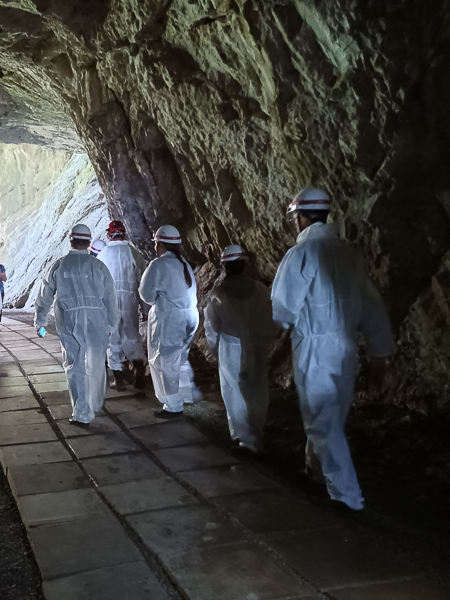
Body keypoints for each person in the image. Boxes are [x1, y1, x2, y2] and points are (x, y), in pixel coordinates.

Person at [271, 188, 393, 511]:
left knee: (322, 422)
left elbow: (282, 311)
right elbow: (371, 305)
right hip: (347, 348)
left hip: (315, 350)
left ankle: (346, 496)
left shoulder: (300, 255)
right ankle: (314, 470)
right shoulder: (350, 254)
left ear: (301, 218)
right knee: (330, 415)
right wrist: (378, 352)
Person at [35, 224, 119, 427]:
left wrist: (41, 324)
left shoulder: (60, 265)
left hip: (69, 322)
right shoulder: (99, 267)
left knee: (74, 365)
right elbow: (110, 298)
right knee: (97, 364)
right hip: (97, 321)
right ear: (89, 243)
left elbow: (44, 296)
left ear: (70, 240)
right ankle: (95, 403)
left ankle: (82, 412)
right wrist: (111, 326)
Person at [204, 245, 278, 455]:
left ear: (224, 266)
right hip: (256, 344)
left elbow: (211, 326)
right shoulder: (261, 289)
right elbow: (270, 316)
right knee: (257, 387)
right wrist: (265, 339)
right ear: (244, 264)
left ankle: (244, 439)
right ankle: (256, 430)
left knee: (234, 391)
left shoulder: (218, 293)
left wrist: (214, 350)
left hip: (231, 347)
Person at [139, 225, 200, 419]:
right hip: (190, 316)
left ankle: (173, 405)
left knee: (163, 362)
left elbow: (146, 294)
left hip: (171, 320)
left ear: (162, 244)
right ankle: (185, 394)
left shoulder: (158, 264)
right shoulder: (185, 264)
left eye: (156, 243)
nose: (155, 247)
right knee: (180, 358)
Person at [97, 220, 148, 391]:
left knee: (113, 338)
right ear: (124, 234)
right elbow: (143, 282)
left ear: (109, 235)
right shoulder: (134, 253)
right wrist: (145, 309)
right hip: (130, 299)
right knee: (132, 334)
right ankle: (138, 369)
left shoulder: (103, 254)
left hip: (109, 301)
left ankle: (118, 380)